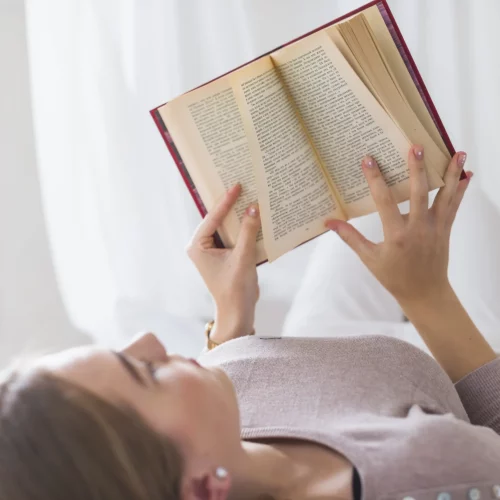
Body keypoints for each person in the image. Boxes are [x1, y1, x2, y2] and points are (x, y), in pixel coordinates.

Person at [1, 146, 499, 500]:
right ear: (200, 489)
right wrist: (427, 294)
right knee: (443, 184)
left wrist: (231, 318)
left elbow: (218, 402)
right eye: (146, 375)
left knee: (415, 178)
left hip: (342, 361)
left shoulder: (214, 442)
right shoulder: (432, 475)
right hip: (448, 377)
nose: (150, 340)